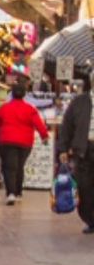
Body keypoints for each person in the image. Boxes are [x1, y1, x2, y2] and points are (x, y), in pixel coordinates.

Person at [0, 77, 49, 205]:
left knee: (9, 167)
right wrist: (44, 136)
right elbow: (38, 123)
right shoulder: (30, 109)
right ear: (25, 94)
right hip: (25, 143)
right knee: (19, 166)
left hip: (6, 141)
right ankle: (18, 192)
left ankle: (11, 193)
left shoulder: (3, 108)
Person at [53, 85, 94, 232]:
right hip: (84, 149)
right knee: (84, 187)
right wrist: (62, 148)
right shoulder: (80, 102)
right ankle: (90, 219)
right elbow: (67, 125)